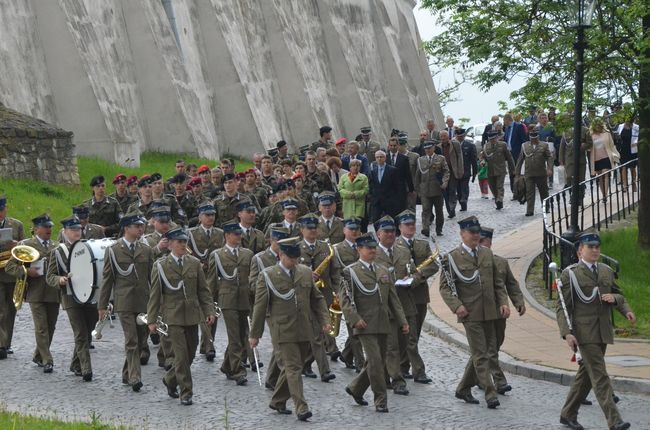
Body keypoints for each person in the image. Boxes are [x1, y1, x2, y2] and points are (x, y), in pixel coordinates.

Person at [556, 232, 634, 430]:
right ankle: (614, 421)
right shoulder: (571, 273)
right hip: (584, 333)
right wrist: (567, 333)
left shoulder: (606, 270)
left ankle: (567, 414)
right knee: (599, 375)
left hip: (603, 331)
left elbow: (619, 295)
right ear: (580, 250)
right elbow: (562, 306)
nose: (595, 250)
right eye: (590, 247)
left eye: (597, 246)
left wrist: (623, 308)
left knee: (585, 376)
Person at [249, 237, 330, 421]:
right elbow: (260, 307)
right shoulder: (268, 275)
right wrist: (255, 335)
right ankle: (301, 407)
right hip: (282, 330)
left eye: (297, 258)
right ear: (280, 255)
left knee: (295, 366)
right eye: (291, 258)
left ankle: (277, 400)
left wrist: (324, 320)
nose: (294, 262)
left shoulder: (305, 272)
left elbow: (316, 298)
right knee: (293, 368)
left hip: (303, 328)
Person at [438, 216, 509, 409]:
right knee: (481, 354)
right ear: (462, 234)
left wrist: (503, 302)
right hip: (470, 312)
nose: (476, 236)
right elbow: (444, 288)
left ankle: (463, 388)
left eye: (478, 233)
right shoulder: (452, 258)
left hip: (491, 311)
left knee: (485, 351)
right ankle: (490, 393)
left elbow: (497, 283)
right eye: (472, 233)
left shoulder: (486, 254)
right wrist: (456, 306)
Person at [148, 227, 217, 406]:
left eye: (184, 242)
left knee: (191, 353)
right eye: (179, 242)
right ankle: (186, 393)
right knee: (180, 356)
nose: (183, 245)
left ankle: (170, 379)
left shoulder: (194, 263)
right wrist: (152, 319)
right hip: (173, 316)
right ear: (170, 244)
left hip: (192, 315)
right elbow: (155, 294)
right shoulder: (161, 266)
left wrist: (209, 310)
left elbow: (203, 290)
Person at [341, 233, 408, 413]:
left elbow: (393, 299)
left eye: (373, 247)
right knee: (376, 362)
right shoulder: (350, 272)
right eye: (368, 248)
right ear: (359, 249)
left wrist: (402, 321)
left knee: (376, 361)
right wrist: (355, 319)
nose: (372, 250)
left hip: (383, 322)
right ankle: (380, 400)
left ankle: (356, 388)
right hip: (364, 324)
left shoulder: (383, 270)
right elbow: (345, 301)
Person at [467, 227, 526, 394]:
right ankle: (499, 381)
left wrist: (518, 302)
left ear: (490, 243)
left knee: (489, 348)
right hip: (481, 313)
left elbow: (511, 285)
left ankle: (476, 377)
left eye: (483, 243)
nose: (480, 246)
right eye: (478, 243)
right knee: (489, 349)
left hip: (500, 313)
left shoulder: (500, 262)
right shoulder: (471, 263)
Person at [99, 211, 153, 391]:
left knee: (140, 339)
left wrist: (157, 303)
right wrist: (102, 305)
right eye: (137, 226)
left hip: (143, 301)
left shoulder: (146, 250)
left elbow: (152, 278)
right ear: (127, 228)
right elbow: (107, 279)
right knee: (131, 340)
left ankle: (126, 373)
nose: (141, 229)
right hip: (124, 302)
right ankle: (135, 377)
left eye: (142, 226)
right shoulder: (113, 250)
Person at [5, 214, 59, 373]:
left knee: (51, 327)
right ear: (36, 229)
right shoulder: (26, 245)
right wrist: (26, 271)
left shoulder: (57, 245)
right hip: (35, 292)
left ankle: (38, 355)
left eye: (50, 226)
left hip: (53, 292)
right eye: (46, 227)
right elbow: (9, 267)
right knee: (41, 327)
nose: (49, 229)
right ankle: (48, 360)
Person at [45, 216, 95, 381]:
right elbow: (50, 276)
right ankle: (86, 369)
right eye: (73, 230)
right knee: (80, 333)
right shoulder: (58, 252)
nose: (77, 232)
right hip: (70, 297)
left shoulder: (89, 246)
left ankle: (75, 364)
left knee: (88, 333)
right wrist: (59, 280)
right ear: (65, 232)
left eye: (79, 229)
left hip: (90, 296)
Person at [208, 220, 253, 386]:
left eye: (240, 234)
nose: (239, 236)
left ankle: (227, 365)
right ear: (227, 236)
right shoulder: (217, 255)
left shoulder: (248, 254)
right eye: (235, 234)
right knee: (235, 337)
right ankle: (237, 371)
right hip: (227, 300)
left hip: (244, 299)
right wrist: (210, 306)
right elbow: (211, 282)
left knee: (243, 335)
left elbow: (251, 278)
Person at [373, 216, 414, 395]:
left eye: (392, 231)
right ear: (378, 234)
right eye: (386, 232)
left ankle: (386, 374)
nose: (390, 234)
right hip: (383, 306)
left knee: (406, 343)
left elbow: (411, 271)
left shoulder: (403, 251)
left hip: (404, 302)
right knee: (391, 346)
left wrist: (411, 278)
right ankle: (397, 380)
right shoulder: (372, 253)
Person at [395, 210, 437, 383]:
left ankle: (403, 365)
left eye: (412, 224)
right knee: (408, 334)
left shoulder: (422, 245)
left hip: (419, 294)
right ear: (400, 227)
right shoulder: (395, 246)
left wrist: (417, 277)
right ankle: (417, 370)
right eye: (407, 225)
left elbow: (433, 266)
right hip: (402, 295)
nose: (411, 227)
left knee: (415, 333)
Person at [298, 214, 339, 381]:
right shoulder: (296, 248)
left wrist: (338, 292)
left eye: (315, 228)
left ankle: (307, 364)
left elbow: (335, 272)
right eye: (309, 228)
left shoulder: (327, 248)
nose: (313, 231)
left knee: (319, 333)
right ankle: (324, 371)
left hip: (324, 294)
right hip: (305, 295)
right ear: (302, 230)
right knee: (316, 334)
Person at [248, 226, 290, 390]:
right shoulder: (259, 259)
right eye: (280, 243)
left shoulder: (289, 257)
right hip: (268, 307)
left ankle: (272, 378)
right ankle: (283, 379)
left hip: (286, 306)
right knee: (280, 344)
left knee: (279, 342)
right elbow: (252, 284)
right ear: (273, 241)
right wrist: (268, 286)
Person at [187, 203, 225, 361]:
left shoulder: (220, 233)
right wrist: (197, 262)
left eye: (213, 215)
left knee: (212, 310)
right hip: (197, 275)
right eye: (207, 215)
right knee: (203, 310)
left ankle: (207, 343)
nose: (211, 218)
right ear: (200, 216)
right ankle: (208, 345)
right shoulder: (191, 233)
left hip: (214, 277)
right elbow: (186, 250)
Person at [332, 218, 364, 371]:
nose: (354, 232)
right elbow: (334, 273)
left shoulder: (365, 247)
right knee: (354, 327)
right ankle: (360, 363)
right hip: (346, 292)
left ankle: (346, 354)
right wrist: (337, 292)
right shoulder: (337, 249)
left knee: (359, 326)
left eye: (357, 229)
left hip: (363, 291)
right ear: (344, 231)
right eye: (351, 229)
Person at [0, 196, 24, 359]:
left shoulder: (16, 225)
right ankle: (1, 344)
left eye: (2, 210)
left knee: (10, 309)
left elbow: (25, 248)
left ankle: (6, 343)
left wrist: (16, 245)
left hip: (10, 273)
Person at [414, 141, 449, 237]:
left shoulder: (440, 158)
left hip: (438, 189)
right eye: (426, 149)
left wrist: (445, 182)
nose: (428, 150)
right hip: (425, 190)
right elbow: (417, 175)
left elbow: (446, 172)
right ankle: (425, 229)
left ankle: (439, 229)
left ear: (433, 148)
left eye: (429, 148)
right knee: (425, 210)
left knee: (439, 211)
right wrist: (417, 189)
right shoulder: (420, 160)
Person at [515, 130, 553, 216]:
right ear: (529, 138)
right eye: (532, 138)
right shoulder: (525, 146)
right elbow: (520, 159)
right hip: (529, 173)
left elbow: (549, 157)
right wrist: (517, 173)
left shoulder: (544, 145)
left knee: (544, 192)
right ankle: (529, 210)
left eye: (535, 138)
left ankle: (546, 207)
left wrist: (549, 168)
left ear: (538, 137)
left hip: (541, 173)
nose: (533, 140)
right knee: (529, 192)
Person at [481, 129, 515, 210]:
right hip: (490, 170)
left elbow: (509, 158)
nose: (492, 141)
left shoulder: (503, 145)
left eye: (493, 139)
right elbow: (484, 157)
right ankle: (497, 200)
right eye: (490, 139)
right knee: (493, 187)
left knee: (499, 186)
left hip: (500, 170)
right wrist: (482, 161)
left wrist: (513, 169)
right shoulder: (486, 146)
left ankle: (500, 199)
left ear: (496, 138)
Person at [589, 118, 620, 200]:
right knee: (600, 177)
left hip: (606, 157)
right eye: (596, 126)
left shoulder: (607, 133)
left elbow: (612, 145)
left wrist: (616, 154)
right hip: (596, 159)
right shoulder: (591, 135)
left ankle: (606, 194)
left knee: (605, 174)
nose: (598, 127)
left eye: (599, 126)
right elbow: (589, 147)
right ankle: (603, 194)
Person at [369, 150, 401, 223]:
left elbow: (397, 186)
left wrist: (395, 199)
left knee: (390, 220)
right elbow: (372, 185)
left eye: (381, 157)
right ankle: (378, 234)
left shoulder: (392, 170)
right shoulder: (373, 171)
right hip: (377, 201)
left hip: (389, 200)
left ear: (385, 158)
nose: (379, 159)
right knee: (375, 220)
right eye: (377, 157)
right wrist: (372, 196)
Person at [386, 136, 415, 213]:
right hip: (387, 190)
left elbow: (408, 175)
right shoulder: (385, 158)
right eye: (391, 145)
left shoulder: (404, 158)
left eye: (394, 145)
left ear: (398, 146)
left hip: (400, 190)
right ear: (388, 146)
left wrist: (411, 190)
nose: (393, 147)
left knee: (401, 210)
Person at [438, 130, 463, 219]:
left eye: (444, 136)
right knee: (445, 192)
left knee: (452, 190)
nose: (443, 138)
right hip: (443, 173)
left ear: (448, 136)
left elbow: (460, 158)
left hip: (453, 171)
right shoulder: (438, 147)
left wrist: (460, 171)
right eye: (441, 136)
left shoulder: (455, 144)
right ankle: (450, 210)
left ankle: (452, 208)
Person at [338, 159, 368, 230]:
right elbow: (340, 189)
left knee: (358, 225)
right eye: (353, 165)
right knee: (348, 225)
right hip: (347, 205)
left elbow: (366, 190)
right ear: (350, 167)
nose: (355, 167)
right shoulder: (343, 177)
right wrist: (349, 194)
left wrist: (356, 194)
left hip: (359, 205)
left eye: (358, 165)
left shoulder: (364, 177)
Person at [456, 129, 477, 212]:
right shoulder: (453, 145)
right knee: (458, 189)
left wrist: (475, 172)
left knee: (464, 187)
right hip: (456, 171)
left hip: (466, 171)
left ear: (464, 136)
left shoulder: (470, 145)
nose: (460, 138)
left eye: (461, 136)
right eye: (458, 136)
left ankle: (464, 199)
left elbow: (473, 160)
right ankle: (462, 204)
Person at [616, 116, 639, 192]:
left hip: (632, 150)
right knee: (623, 167)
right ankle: (625, 186)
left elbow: (638, 138)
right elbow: (618, 137)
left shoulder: (636, 127)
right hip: (623, 150)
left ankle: (633, 183)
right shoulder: (621, 126)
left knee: (632, 168)